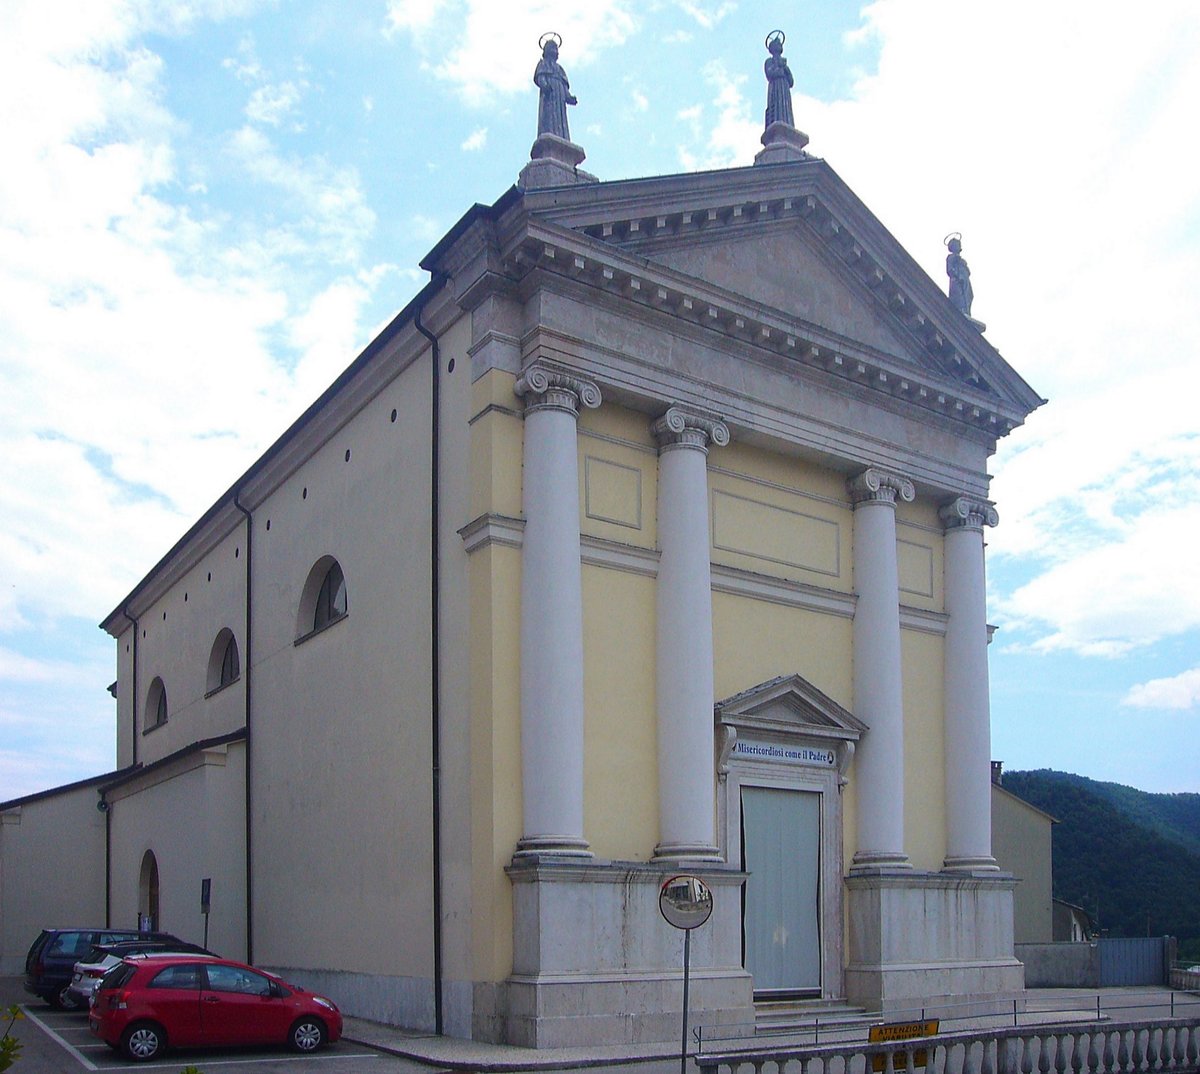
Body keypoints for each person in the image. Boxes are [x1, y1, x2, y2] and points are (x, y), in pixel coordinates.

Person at [534, 35, 577, 141]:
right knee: (549, 116)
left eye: (556, 49)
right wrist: (545, 85)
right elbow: (540, 77)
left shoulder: (560, 68)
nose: (555, 51)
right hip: (549, 94)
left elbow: (564, 86)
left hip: (559, 96)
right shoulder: (543, 63)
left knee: (560, 119)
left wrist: (569, 97)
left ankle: (562, 137)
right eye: (552, 48)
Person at [764, 31, 794, 129]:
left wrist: (785, 67)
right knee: (776, 108)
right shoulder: (769, 61)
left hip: (784, 89)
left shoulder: (784, 63)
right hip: (775, 87)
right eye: (777, 44)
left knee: (785, 107)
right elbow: (770, 74)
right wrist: (779, 68)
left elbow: (791, 81)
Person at [945, 235, 974, 316]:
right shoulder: (951, 257)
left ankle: (966, 311)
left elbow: (967, 271)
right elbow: (949, 269)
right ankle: (960, 311)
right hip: (957, 281)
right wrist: (957, 276)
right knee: (959, 297)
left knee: (969, 296)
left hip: (965, 280)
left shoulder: (961, 260)